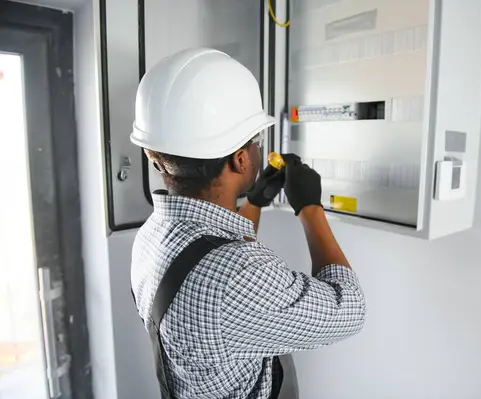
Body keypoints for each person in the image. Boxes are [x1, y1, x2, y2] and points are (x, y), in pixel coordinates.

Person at [130, 48, 366, 399]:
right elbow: (348, 309)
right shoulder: (237, 274)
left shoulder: (152, 236)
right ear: (241, 159)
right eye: (255, 142)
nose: (258, 150)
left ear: (155, 155)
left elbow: (212, 252)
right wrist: (310, 207)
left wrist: (254, 200)